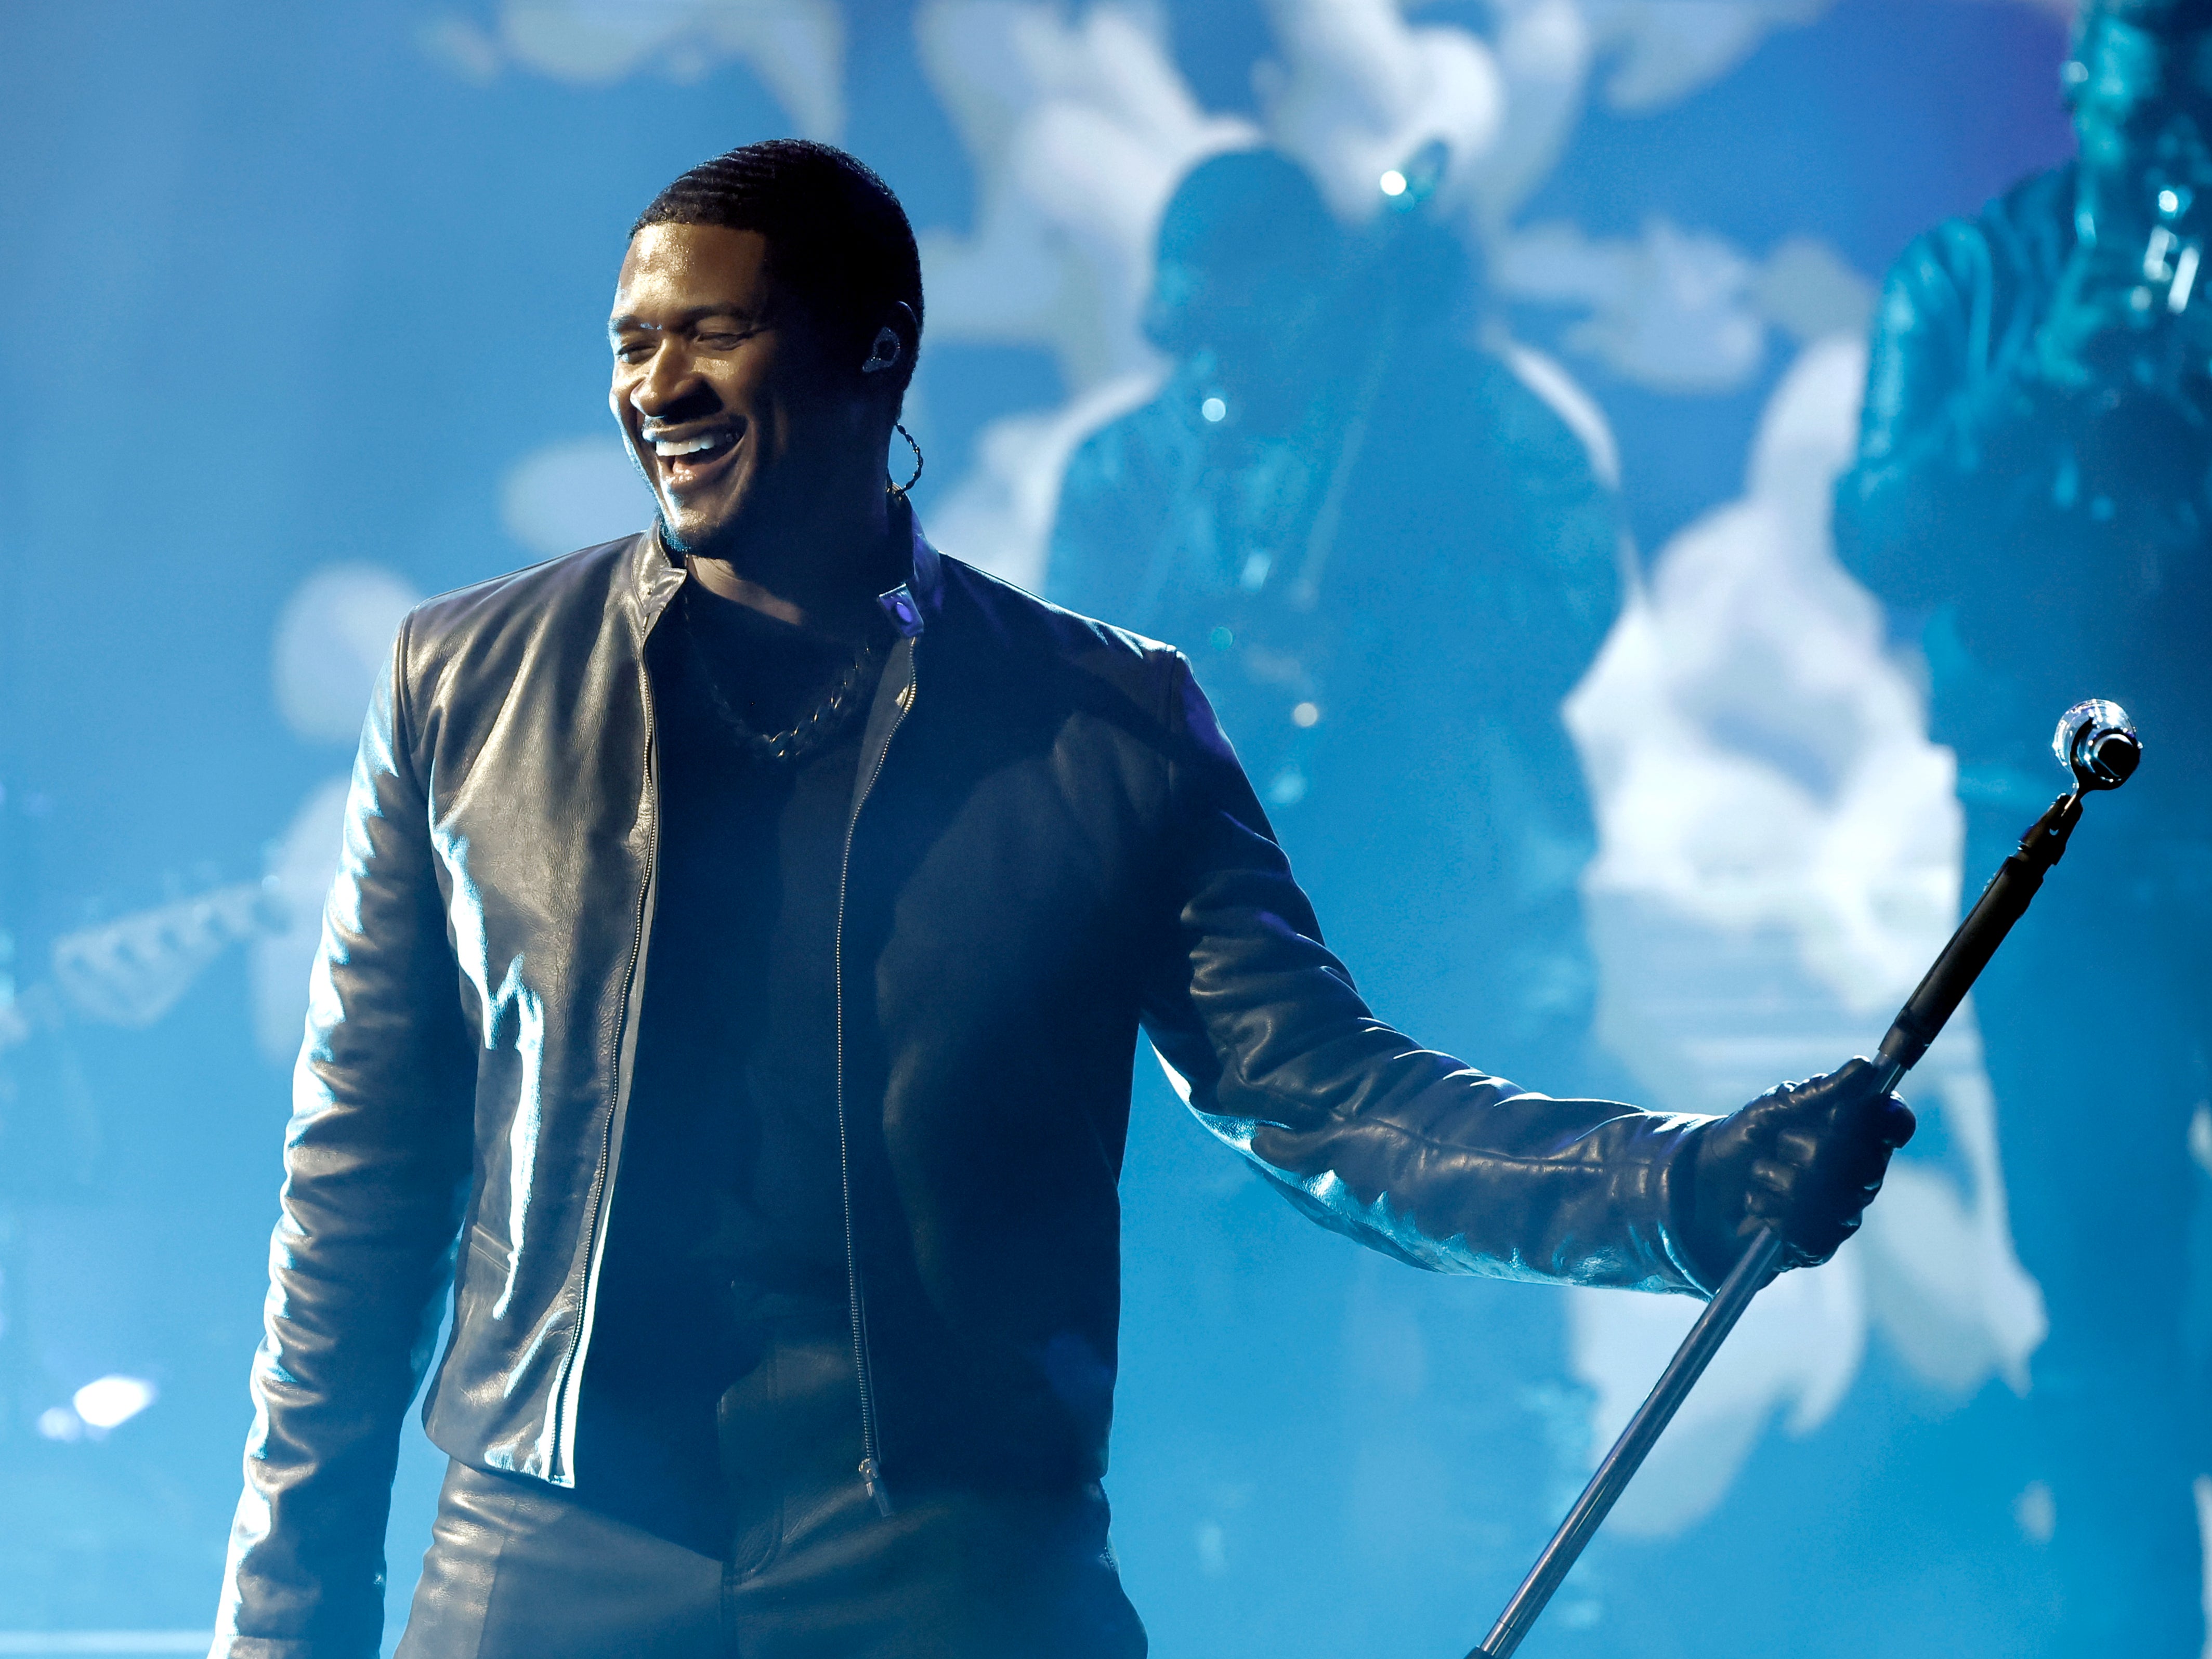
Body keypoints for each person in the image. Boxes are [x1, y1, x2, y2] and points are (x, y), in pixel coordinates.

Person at [213, 139, 1911, 1659]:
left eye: (707, 332)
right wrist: (282, 1622)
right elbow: (357, 1187)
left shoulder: (1103, 724)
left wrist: (1685, 1187)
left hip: (944, 1546)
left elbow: (1327, 1099)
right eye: (629, 343)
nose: (656, 382)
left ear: (878, 350)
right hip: (557, 1531)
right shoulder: (468, 684)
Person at [1047, 150, 1627, 1634]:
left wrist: (1387, 635)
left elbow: (1569, 610)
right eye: (1200, 333)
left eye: (1251, 320)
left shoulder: (1463, 421)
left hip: (1454, 927)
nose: (1224, 362)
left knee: (1496, 1319)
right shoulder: (1132, 468)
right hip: (1222, 965)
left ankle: (1524, 1617)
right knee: (1231, 1335)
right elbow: (1060, 695)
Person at [1835, 2, 2212, 1648]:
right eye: (2148, 106)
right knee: (2103, 1286)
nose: (2173, 150)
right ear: (2082, 84)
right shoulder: (1965, 281)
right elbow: (1881, 534)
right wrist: (2052, 377)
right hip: (2060, 854)